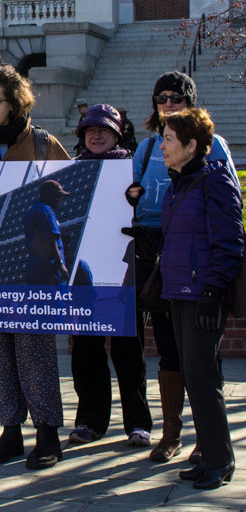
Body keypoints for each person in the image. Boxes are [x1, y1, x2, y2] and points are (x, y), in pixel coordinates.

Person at [0, 64, 70, 469]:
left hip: (31, 272)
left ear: (15, 102)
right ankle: (10, 431)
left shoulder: (42, 144)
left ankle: (48, 433)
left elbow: (68, 195)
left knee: (34, 351)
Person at [126, 71, 237, 464]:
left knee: (204, 357)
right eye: (161, 99)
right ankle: (171, 431)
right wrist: (131, 197)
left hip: (197, 257)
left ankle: (209, 440)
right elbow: (133, 194)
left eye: (175, 98)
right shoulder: (147, 147)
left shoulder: (212, 149)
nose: (168, 105)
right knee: (171, 350)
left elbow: (226, 209)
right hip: (158, 255)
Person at [158, 107, 242, 489]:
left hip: (201, 294)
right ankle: (208, 452)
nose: (163, 146)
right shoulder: (178, 183)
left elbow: (229, 242)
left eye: (169, 139)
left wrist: (212, 290)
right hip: (178, 291)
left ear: (192, 145)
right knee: (193, 376)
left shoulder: (215, 181)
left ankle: (220, 460)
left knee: (204, 377)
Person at [68, 104, 153, 447]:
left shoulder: (134, 170)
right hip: (85, 278)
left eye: (103, 130)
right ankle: (89, 422)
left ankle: (138, 422)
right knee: (85, 354)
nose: (96, 135)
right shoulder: (72, 171)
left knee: (128, 353)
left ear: (119, 133)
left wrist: (136, 199)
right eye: (90, 130)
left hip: (124, 276)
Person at [24, 181, 70, 286]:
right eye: (57, 196)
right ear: (48, 195)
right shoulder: (46, 210)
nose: (59, 200)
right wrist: (61, 266)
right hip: (50, 271)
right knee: (55, 301)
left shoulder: (31, 212)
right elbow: (50, 240)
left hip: (35, 270)